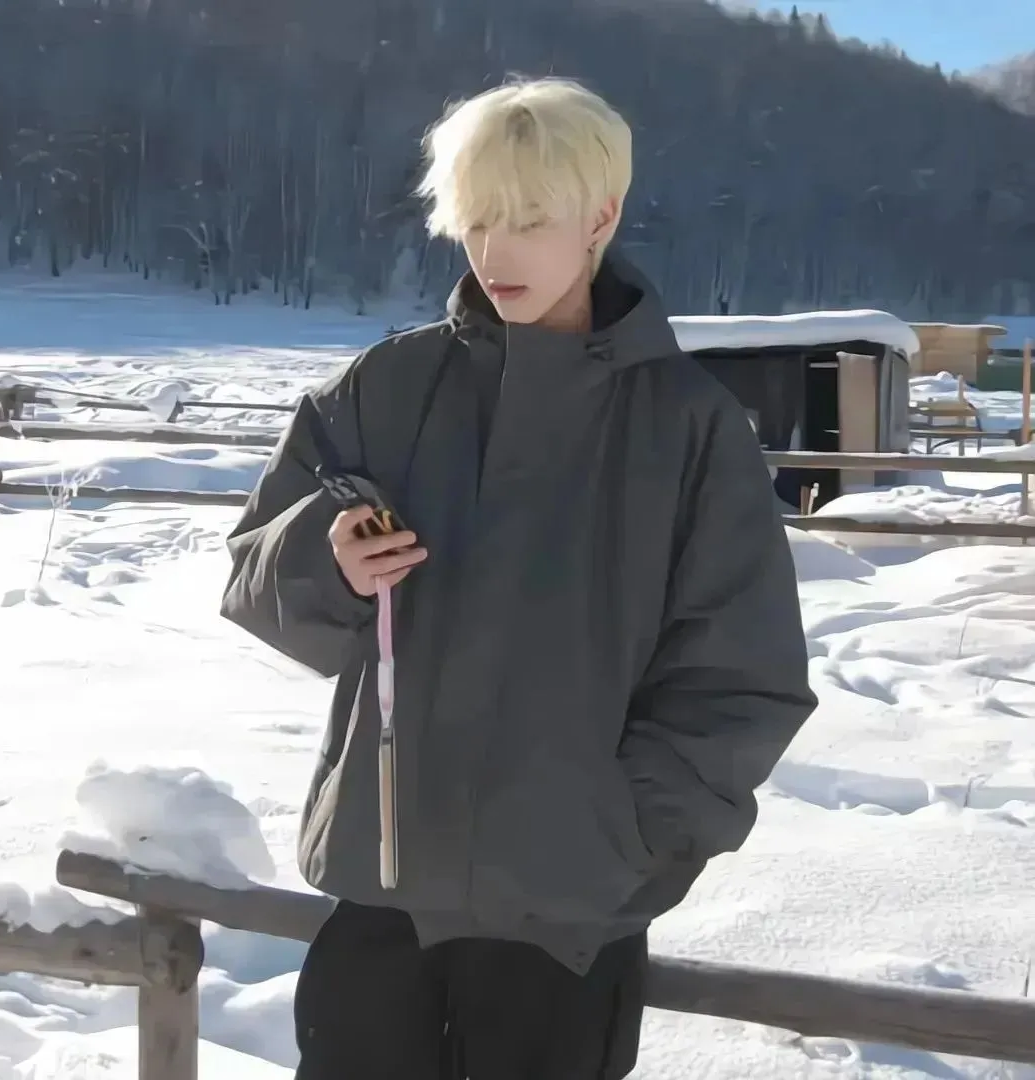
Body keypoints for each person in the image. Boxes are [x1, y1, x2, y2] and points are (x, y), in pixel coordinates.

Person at [221, 75, 818, 1080]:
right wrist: (326, 558)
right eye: (478, 222)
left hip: (567, 929)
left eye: (530, 222)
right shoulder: (384, 388)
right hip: (381, 905)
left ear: (601, 218)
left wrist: (621, 837)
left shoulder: (690, 427)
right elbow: (254, 572)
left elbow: (743, 682)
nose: (496, 255)